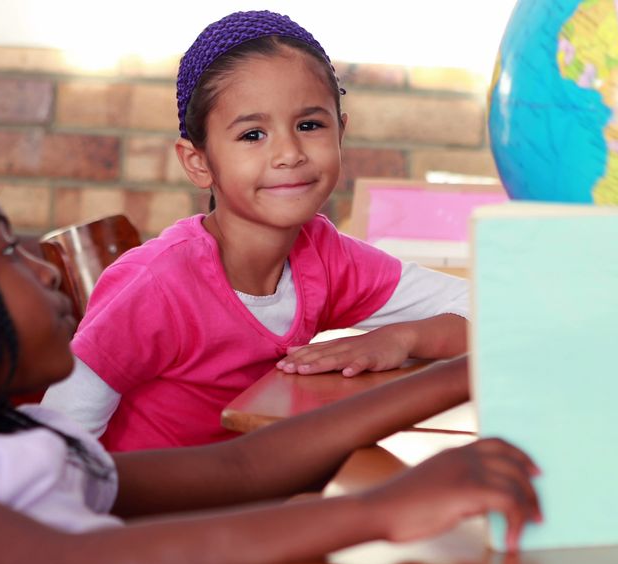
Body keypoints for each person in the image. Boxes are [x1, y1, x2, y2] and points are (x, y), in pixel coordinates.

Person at [0, 131, 540, 564]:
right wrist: (376, 511)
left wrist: (475, 369)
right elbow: (67, 563)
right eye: (6, 248)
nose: (47, 270)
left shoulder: (19, 442)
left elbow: (244, 471)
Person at [43, 10, 471, 451]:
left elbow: (493, 312)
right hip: (148, 510)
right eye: (252, 135)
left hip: (252, 493)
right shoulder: (156, 284)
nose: (289, 153)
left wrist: (401, 338)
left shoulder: (325, 258)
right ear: (199, 162)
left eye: (309, 125)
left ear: (340, 133)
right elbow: (57, 442)